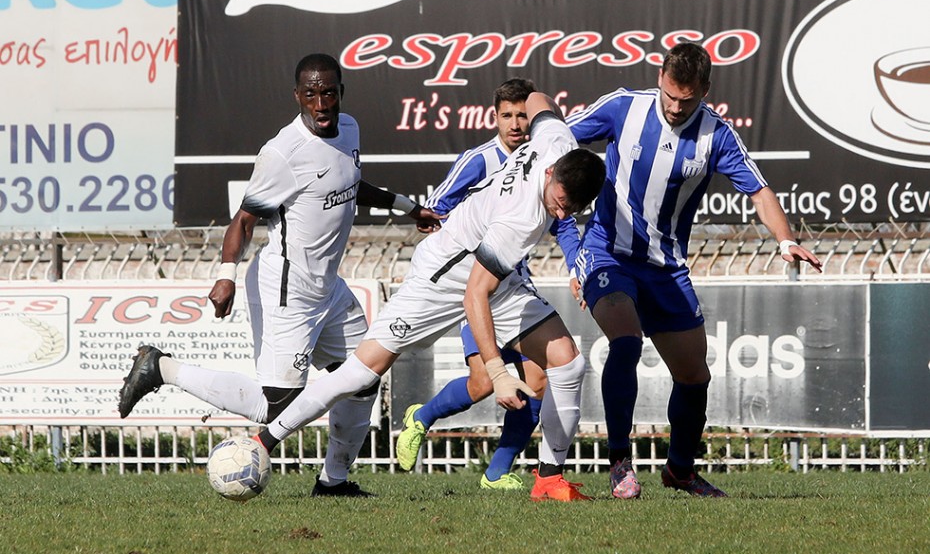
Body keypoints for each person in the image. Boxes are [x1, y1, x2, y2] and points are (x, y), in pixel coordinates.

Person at [251, 91, 606, 502]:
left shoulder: (557, 142)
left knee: (567, 363)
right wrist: (498, 372)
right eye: (560, 203)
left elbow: (538, 98)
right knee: (361, 373)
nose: (561, 215)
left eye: (572, 210)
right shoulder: (523, 218)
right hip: (441, 279)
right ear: (550, 176)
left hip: (496, 278)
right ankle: (265, 441)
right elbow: (474, 295)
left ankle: (548, 480)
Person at [117, 53, 442, 497]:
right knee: (275, 409)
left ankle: (334, 482)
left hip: (330, 289)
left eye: (329, 92)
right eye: (311, 94)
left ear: (341, 92)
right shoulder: (282, 153)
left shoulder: (349, 129)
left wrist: (408, 207)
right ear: (298, 97)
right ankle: (162, 368)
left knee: (364, 379)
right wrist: (226, 274)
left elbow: (350, 185)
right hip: (287, 291)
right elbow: (245, 220)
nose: (321, 103)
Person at [566, 42, 822, 499]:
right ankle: (620, 462)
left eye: (687, 99)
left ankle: (680, 471)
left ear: (706, 90)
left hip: (666, 268)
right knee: (624, 343)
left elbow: (759, 191)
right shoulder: (624, 107)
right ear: (660, 77)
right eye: (669, 94)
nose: (675, 106)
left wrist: (785, 239)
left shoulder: (716, 135)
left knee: (694, 378)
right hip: (608, 253)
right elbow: (557, 143)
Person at [394, 78, 584, 491]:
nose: (516, 124)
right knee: (483, 383)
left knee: (538, 380)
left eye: (522, 115)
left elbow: (563, 223)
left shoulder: (548, 162)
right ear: (494, 117)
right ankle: (420, 417)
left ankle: (497, 473)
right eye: (507, 116)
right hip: (473, 285)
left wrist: (576, 266)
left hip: (514, 286)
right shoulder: (478, 161)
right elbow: (436, 213)